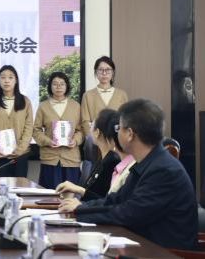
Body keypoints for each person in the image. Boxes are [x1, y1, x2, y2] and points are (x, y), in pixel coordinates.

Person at [60, 99, 198, 251]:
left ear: (130, 134)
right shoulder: (145, 163)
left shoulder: (164, 170)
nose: (116, 133)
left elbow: (129, 213)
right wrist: (81, 207)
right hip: (143, 247)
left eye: (118, 128)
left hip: (164, 253)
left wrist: (80, 211)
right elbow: (115, 200)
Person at [56, 109, 121, 200]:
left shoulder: (112, 162)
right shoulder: (103, 158)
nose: (90, 129)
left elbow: (104, 201)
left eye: (91, 125)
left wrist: (78, 191)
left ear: (97, 132)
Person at [33, 71, 83, 189]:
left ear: (67, 86)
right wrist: (48, 141)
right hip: (50, 159)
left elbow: (80, 130)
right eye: (55, 84)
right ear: (50, 86)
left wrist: (75, 141)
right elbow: (36, 130)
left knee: (70, 195)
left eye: (62, 84)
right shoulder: (43, 106)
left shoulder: (76, 106)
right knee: (50, 195)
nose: (58, 87)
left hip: (71, 158)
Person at [0, 65, 33, 177]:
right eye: (3, 77)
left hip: (20, 156)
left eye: (10, 77)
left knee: (18, 186)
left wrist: (20, 149)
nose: (6, 81)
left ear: (16, 80)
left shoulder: (25, 101)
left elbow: (29, 127)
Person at [81, 56, 128, 137]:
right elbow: (85, 122)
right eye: (101, 70)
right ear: (96, 72)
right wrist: (95, 139)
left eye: (108, 70)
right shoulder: (87, 95)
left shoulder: (122, 95)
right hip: (95, 140)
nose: (104, 73)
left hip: (117, 140)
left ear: (113, 72)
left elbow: (126, 119)